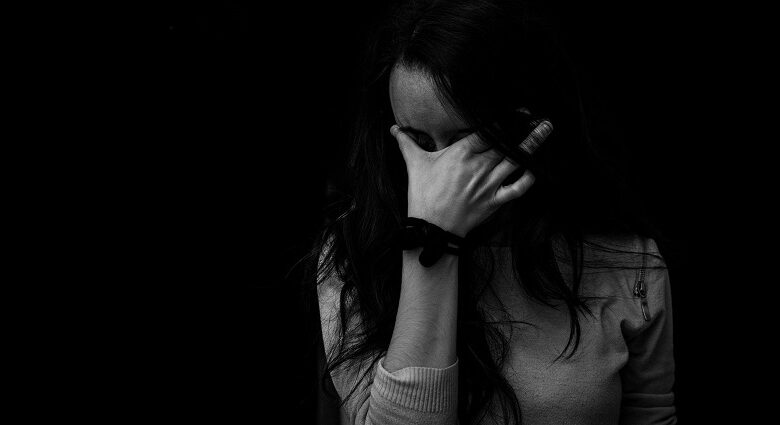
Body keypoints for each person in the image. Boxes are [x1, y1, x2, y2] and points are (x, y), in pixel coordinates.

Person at [308, 0, 676, 424]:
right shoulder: (355, 252)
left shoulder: (626, 259)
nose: (442, 176)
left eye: (465, 142)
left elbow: (652, 413)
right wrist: (432, 238)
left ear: (529, 128)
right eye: (419, 142)